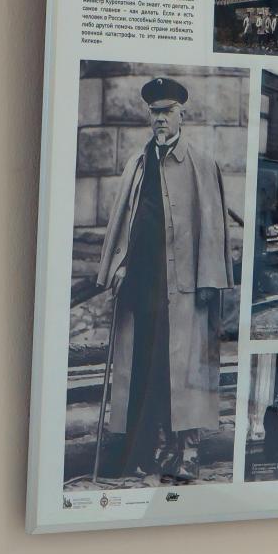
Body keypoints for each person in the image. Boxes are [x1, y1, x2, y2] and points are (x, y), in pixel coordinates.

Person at [96, 76, 235, 484]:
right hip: (144, 285)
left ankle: (188, 452)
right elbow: (127, 224)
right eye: (154, 112)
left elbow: (213, 227)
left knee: (187, 368)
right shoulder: (138, 164)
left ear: (181, 115)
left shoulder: (201, 163)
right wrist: (119, 265)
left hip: (186, 286)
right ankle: (155, 448)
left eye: (167, 112)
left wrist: (209, 280)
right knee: (150, 366)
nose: (160, 119)